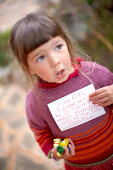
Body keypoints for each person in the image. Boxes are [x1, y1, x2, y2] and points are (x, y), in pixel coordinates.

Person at [9, 12, 113, 170]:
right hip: (79, 167)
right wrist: (56, 151)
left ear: (67, 43)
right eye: (40, 57)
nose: (55, 61)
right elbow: (41, 131)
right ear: (28, 68)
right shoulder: (35, 102)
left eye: (58, 47)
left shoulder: (94, 73)